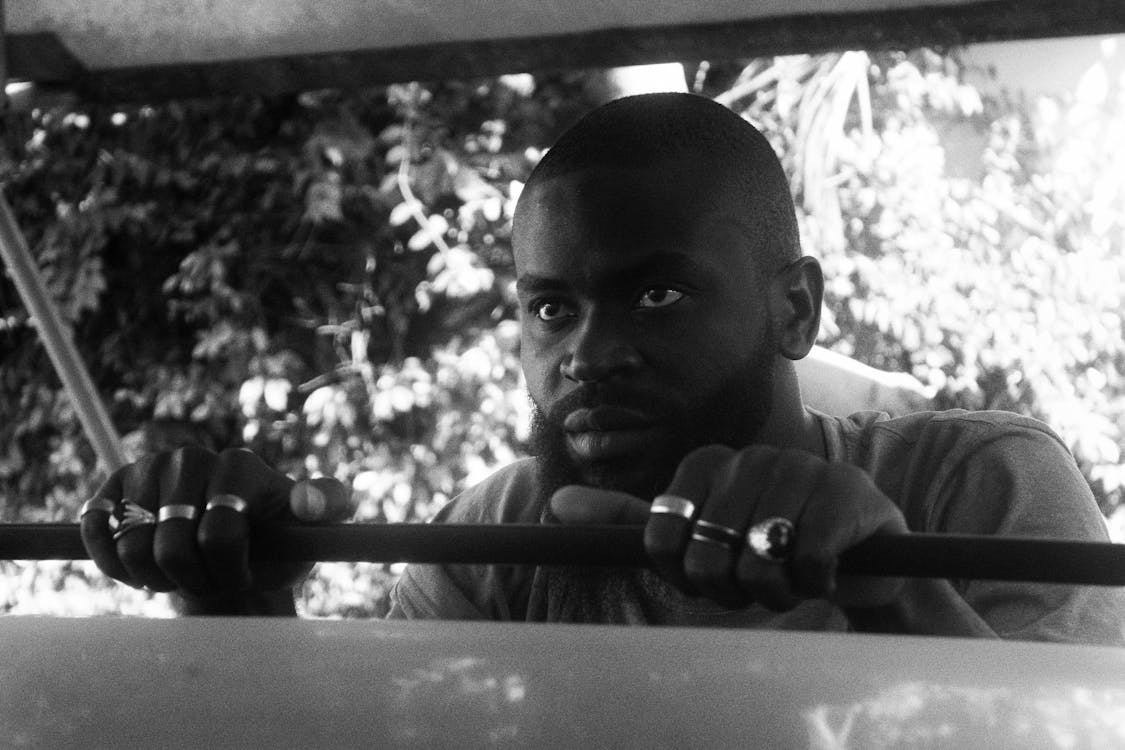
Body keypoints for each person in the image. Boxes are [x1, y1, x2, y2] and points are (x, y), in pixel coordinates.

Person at [79, 93, 1124, 644]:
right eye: (551, 307)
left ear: (795, 306)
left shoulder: (978, 485)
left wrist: (887, 592)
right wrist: (236, 613)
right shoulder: (492, 538)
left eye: (657, 294)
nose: (590, 354)